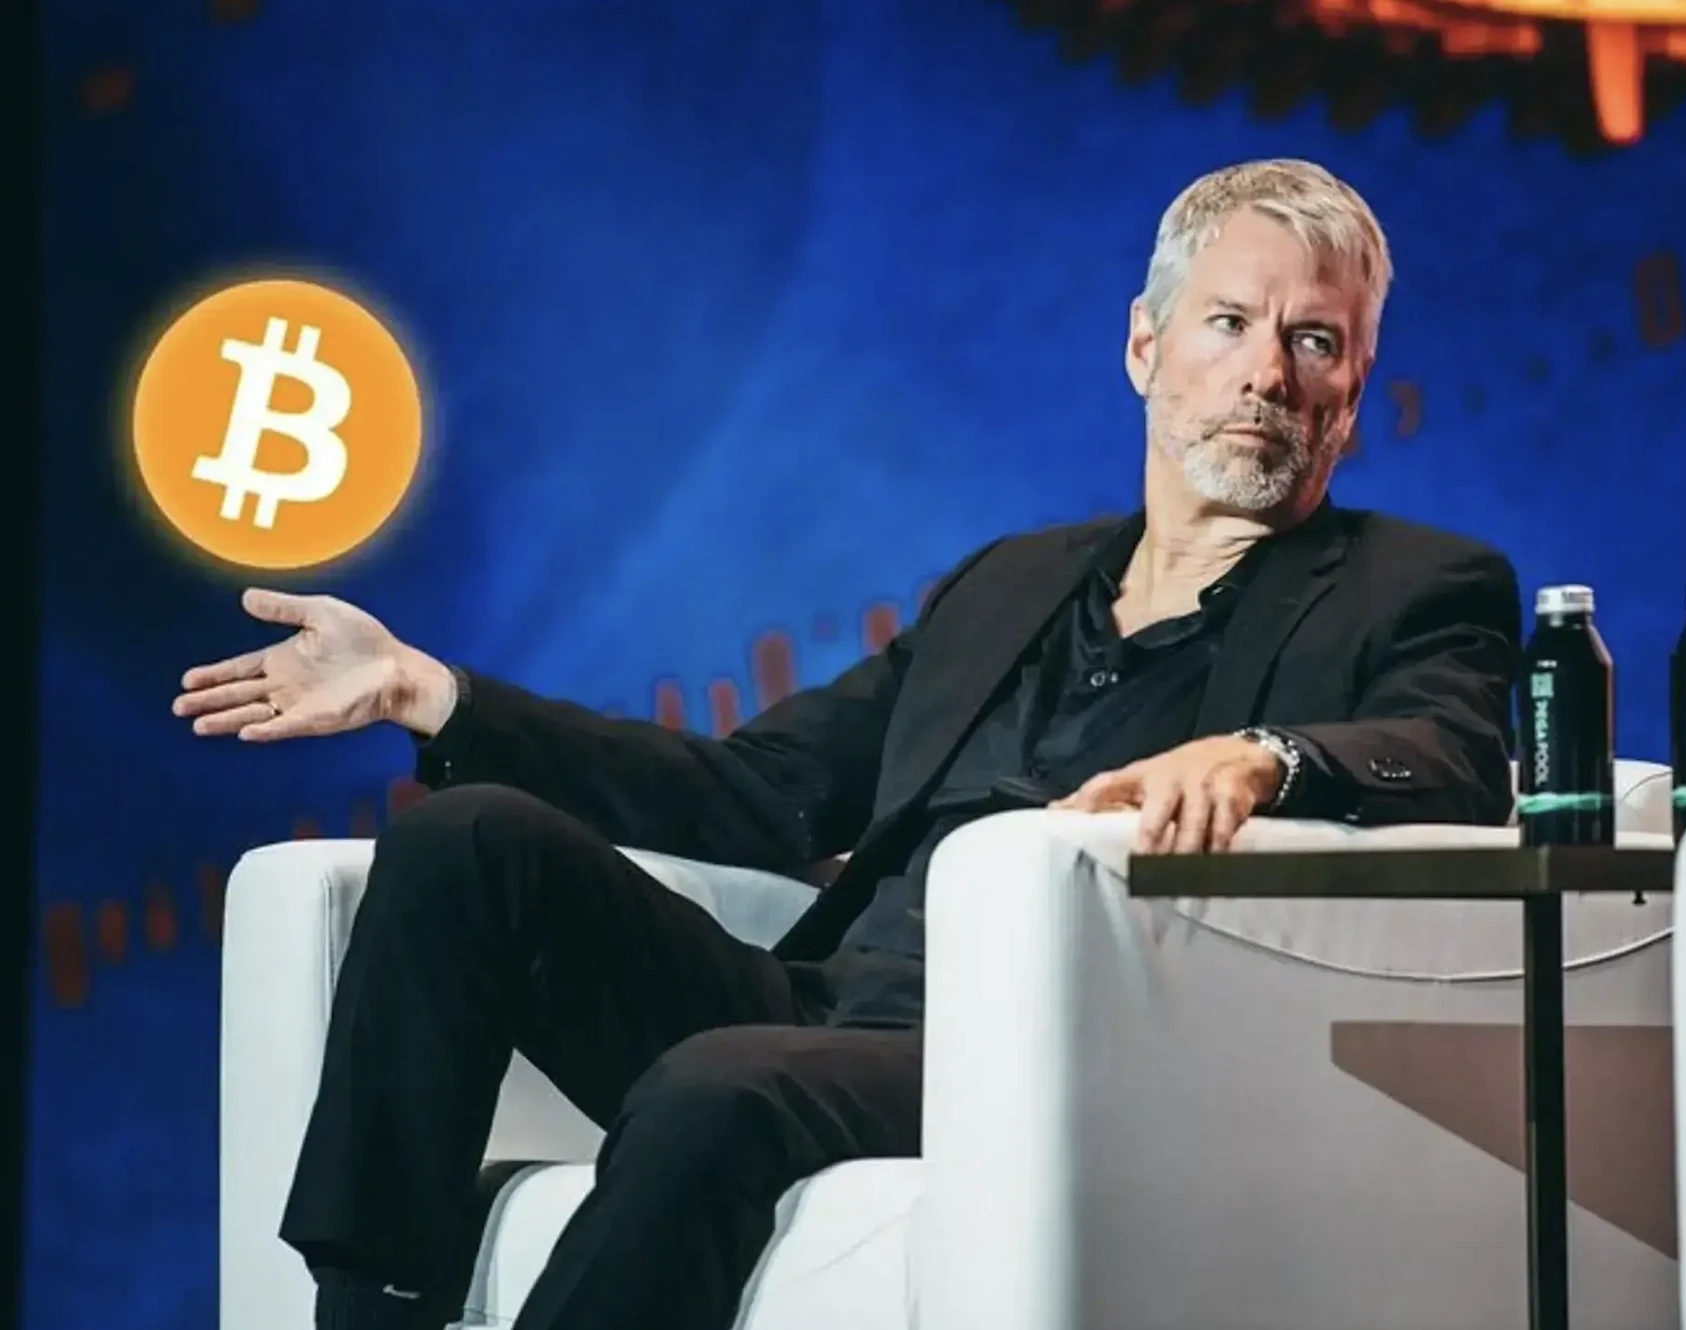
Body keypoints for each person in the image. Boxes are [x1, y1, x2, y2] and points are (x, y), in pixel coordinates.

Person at [175, 158, 1521, 1330]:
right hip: (823, 1004)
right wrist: (434, 695)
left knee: (718, 1087)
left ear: (1354, 389)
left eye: (1315, 341)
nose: (1268, 372)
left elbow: (1458, 752)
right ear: (1144, 347)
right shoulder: (1010, 582)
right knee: (465, 842)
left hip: (1039, 1048)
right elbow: (758, 790)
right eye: (1230, 322)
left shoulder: (1417, 586)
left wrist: (1267, 756)